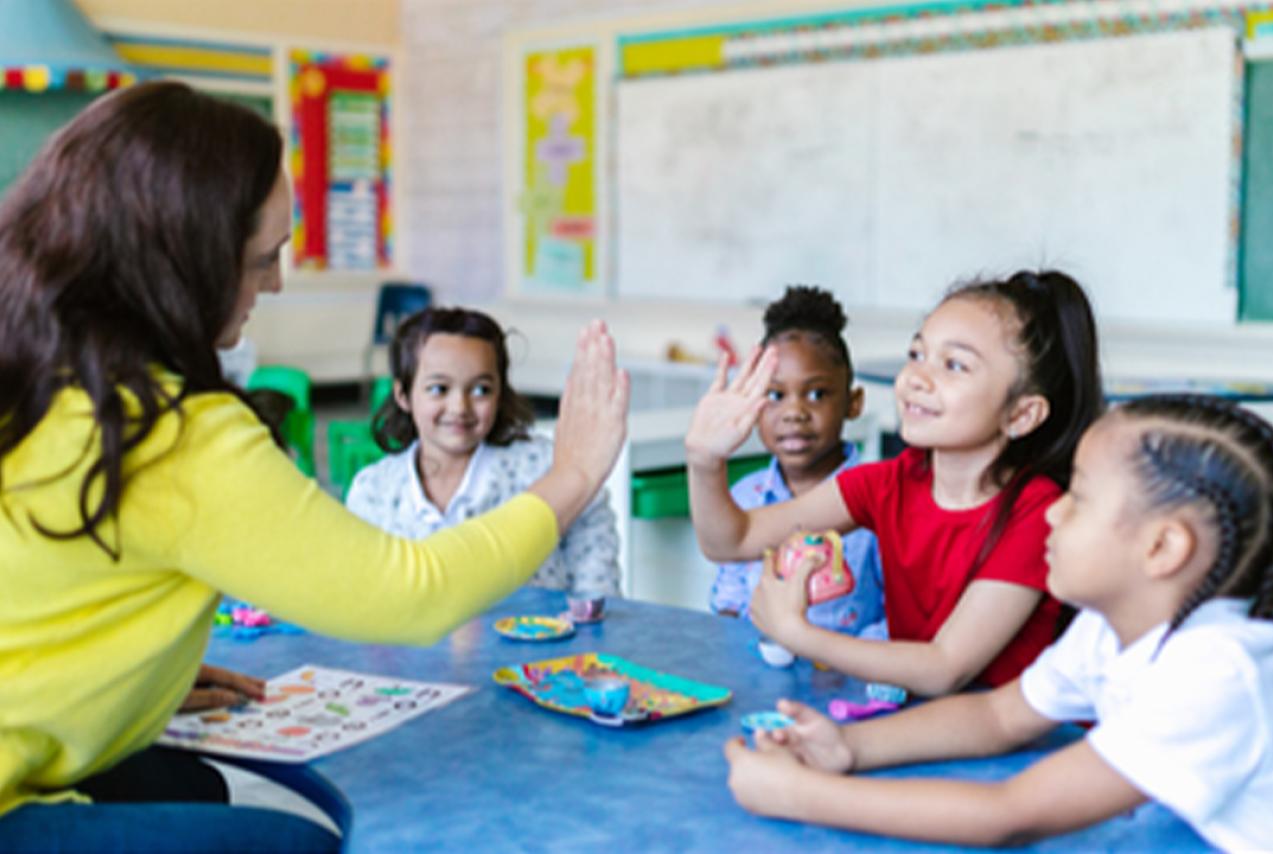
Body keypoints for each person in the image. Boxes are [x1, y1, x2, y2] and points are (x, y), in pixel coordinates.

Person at [0, 81, 628, 842]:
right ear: (179, 263)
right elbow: (412, 594)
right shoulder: (169, 431)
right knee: (300, 842)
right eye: (261, 259)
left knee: (190, 785)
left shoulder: (37, 369)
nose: (275, 283)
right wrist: (575, 471)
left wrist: (125, 672)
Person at [724, 394, 1273, 850]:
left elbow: (1009, 814)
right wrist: (848, 746)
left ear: (1162, 547)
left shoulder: (1218, 671)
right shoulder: (1106, 630)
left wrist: (797, 795)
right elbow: (999, 716)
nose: (1055, 510)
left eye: (1080, 498)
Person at [686, 271, 1103, 695]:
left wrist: (799, 635)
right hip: (916, 721)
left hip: (1005, 749)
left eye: (954, 365)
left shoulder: (1038, 513)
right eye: (917, 353)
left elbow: (945, 666)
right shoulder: (891, 482)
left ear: (1021, 415)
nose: (917, 378)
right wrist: (705, 460)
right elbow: (732, 541)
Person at [345, 306, 620, 602]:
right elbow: (363, 596)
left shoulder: (545, 468)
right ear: (403, 396)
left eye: (480, 390)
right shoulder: (373, 491)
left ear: (500, 393)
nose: (459, 407)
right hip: (414, 648)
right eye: (438, 389)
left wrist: (593, 620)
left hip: (544, 646)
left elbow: (594, 550)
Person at [708, 286, 884, 643]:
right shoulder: (745, 497)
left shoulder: (881, 502)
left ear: (854, 403)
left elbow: (899, 620)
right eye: (775, 395)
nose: (794, 413)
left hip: (847, 686)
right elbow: (727, 600)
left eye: (817, 394)